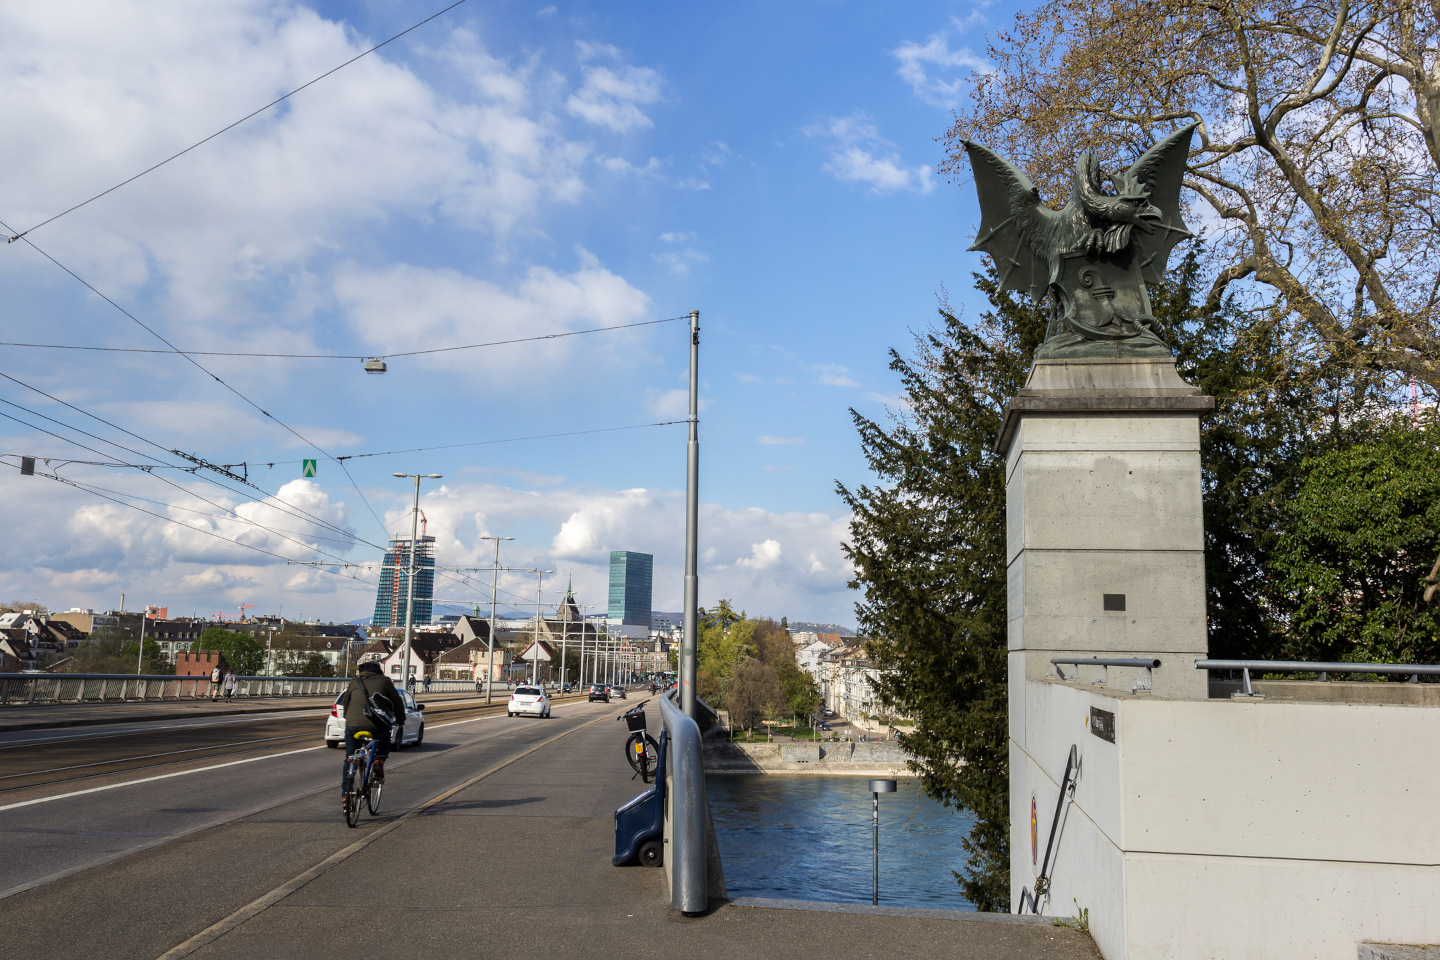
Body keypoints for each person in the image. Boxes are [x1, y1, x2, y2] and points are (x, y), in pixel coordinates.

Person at [337, 662, 405, 808]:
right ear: (379, 671)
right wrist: (400, 720)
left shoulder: (355, 681)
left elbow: (346, 702)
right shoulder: (385, 681)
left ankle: (346, 796)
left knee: (349, 759)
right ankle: (378, 761)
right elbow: (397, 702)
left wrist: (349, 719)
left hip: (352, 725)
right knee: (384, 737)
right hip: (376, 725)